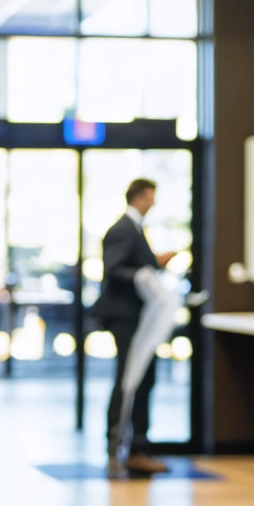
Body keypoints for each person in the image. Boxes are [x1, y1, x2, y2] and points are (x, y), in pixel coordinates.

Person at [97, 178, 176, 477]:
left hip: (140, 317)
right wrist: (143, 273)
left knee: (140, 378)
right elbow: (114, 269)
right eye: (151, 197)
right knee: (131, 378)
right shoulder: (122, 229)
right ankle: (125, 445)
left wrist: (153, 263)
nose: (153, 202)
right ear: (140, 197)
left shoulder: (134, 229)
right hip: (126, 317)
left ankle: (133, 446)